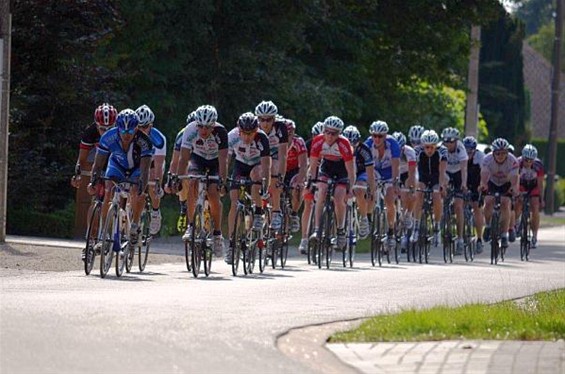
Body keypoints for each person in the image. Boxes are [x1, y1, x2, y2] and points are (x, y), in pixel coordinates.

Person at [88, 109, 153, 249]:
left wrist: (142, 186)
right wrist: (93, 181)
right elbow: (98, 164)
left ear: (136, 128)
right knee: (108, 191)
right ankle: (104, 234)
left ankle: (135, 225)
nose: (126, 135)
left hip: (136, 168)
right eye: (123, 132)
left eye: (130, 132)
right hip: (117, 165)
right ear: (117, 128)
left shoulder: (145, 141)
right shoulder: (108, 137)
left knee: (137, 191)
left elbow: (145, 170)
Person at [174, 105, 228, 257]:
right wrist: (178, 178)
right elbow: (183, 158)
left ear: (213, 126)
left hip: (215, 162)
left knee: (212, 193)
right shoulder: (190, 130)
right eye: (201, 127)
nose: (203, 131)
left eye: (207, 127)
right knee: (192, 183)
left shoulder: (221, 132)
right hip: (197, 159)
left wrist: (222, 181)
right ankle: (191, 226)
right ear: (196, 124)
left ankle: (217, 234)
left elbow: (224, 160)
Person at [72, 103, 117, 260]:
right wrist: (78, 173)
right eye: (102, 128)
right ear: (96, 125)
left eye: (109, 128)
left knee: (113, 193)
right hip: (99, 161)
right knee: (94, 198)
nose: (105, 132)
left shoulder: (121, 131)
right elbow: (82, 158)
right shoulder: (90, 132)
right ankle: (90, 241)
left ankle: (116, 227)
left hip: (117, 161)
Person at [226, 112, 271, 264]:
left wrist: (265, 188)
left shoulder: (262, 138)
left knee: (256, 176)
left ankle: (258, 212)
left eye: (250, 134)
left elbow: (266, 166)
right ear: (239, 131)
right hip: (240, 165)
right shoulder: (232, 136)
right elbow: (226, 160)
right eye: (244, 133)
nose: (246, 137)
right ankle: (231, 245)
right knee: (234, 202)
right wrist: (223, 179)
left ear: (256, 131)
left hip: (256, 165)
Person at [308, 116, 355, 250]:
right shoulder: (317, 141)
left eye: (333, 133)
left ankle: (340, 230)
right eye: (327, 132)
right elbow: (313, 165)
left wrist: (350, 188)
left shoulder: (344, 144)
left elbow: (351, 171)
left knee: (339, 196)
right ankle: (317, 229)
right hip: (326, 167)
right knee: (321, 190)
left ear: (339, 134)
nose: (329, 136)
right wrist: (312, 181)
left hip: (342, 169)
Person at [365, 120, 401, 250]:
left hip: (389, 172)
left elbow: (396, 166)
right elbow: (363, 165)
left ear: (386, 136)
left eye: (380, 136)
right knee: (370, 194)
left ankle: (391, 231)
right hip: (374, 171)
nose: (377, 139)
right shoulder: (368, 144)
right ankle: (368, 219)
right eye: (374, 135)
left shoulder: (393, 144)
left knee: (390, 200)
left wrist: (395, 183)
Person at [478, 138, 519, 250]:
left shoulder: (513, 160)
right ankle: (488, 226)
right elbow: (484, 174)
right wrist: (484, 185)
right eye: (498, 153)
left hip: (506, 183)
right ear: (493, 153)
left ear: (507, 152)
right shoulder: (487, 159)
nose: (501, 155)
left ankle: (504, 235)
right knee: (488, 200)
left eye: (504, 153)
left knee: (506, 203)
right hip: (492, 182)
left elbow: (515, 179)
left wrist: (513, 188)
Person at [410, 130, 448, 246]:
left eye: (432, 147)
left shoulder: (442, 151)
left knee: (437, 196)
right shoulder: (417, 151)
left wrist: (442, 186)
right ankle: (416, 227)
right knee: (418, 194)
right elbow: (414, 170)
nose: (429, 150)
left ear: (436, 146)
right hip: (423, 177)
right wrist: (413, 185)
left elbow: (442, 171)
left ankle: (437, 228)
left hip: (436, 177)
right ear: (422, 145)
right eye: (427, 147)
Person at [255, 101, 288, 231]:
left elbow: (283, 155)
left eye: (268, 120)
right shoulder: (254, 128)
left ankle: (276, 211)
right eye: (262, 120)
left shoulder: (280, 128)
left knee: (273, 168)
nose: (265, 123)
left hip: (274, 155)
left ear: (274, 119)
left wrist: (281, 176)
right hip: (258, 156)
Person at [135, 104, 167, 236]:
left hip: (154, 163)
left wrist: (158, 183)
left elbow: (159, 164)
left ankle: (155, 211)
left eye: (145, 126)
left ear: (151, 125)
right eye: (139, 126)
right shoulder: (131, 134)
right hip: (138, 161)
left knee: (153, 182)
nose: (142, 130)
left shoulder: (159, 138)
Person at [165, 111, 197, 233]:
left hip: (204, 159)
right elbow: (175, 160)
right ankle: (184, 206)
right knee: (184, 172)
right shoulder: (182, 135)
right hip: (189, 160)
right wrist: (170, 180)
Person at [343, 125, 375, 239]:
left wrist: (371, 189)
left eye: (354, 143)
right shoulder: (340, 148)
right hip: (345, 172)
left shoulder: (365, 150)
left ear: (359, 141)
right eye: (349, 143)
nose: (351, 146)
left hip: (362, 173)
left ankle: (364, 218)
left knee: (359, 189)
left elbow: (371, 174)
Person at [441, 127, 468, 255]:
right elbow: (439, 169)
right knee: (441, 194)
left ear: (456, 141)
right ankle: (442, 220)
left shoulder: (461, 149)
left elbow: (464, 169)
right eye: (446, 141)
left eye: (451, 142)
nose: (448, 144)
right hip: (446, 172)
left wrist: (463, 183)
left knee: (458, 206)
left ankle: (460, 239)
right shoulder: (441, 148)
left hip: (458, 174)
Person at [298, 121, 324, 255]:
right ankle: (304, 238)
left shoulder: (329, 145)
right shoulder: (308, 145)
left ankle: (324, 230)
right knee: (308, 204)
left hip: (325, 175)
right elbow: (305, 166)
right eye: (315, 136)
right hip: (312, 175)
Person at [391, 131, 417, 252]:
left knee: (412, 191)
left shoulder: (410, 152)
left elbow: (412, 173)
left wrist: (410, 189)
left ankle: (408, 213)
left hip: (407, 173)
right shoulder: (388, 148)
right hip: (394, 172)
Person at [515, 144, 544, 248]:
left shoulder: (538, 165)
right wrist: (517, 193)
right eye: (526, 160)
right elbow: (515, 181)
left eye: (530, 160)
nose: (528, 162)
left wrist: (542, 199)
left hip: (533, 186)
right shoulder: (517, 163)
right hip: (521, 184)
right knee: (518, 202)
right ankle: (517, 222)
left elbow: (540, 184)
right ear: (523, 157)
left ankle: (535, 237)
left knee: (535, 208)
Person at [283, 118, 308, 235]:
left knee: (298, 187)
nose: (288, 136)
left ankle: (294, 214)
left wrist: (300, 180)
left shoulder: (298, 142)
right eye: (285, 133)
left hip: (293, 170)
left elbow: (303, 165)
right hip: (279, 169)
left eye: (290, 133)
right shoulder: (273, 141)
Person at [463, 136, 485, 254]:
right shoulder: (461, 156)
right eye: (466, 150)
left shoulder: (480, 157)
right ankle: (461, 238)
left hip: (477, 182)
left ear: (474, 150)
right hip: (464, 182)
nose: (468, 153)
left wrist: (481, 186)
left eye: (470, 151)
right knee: (460, 204)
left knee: (477, 207)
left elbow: (484, 173)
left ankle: (479, 239)